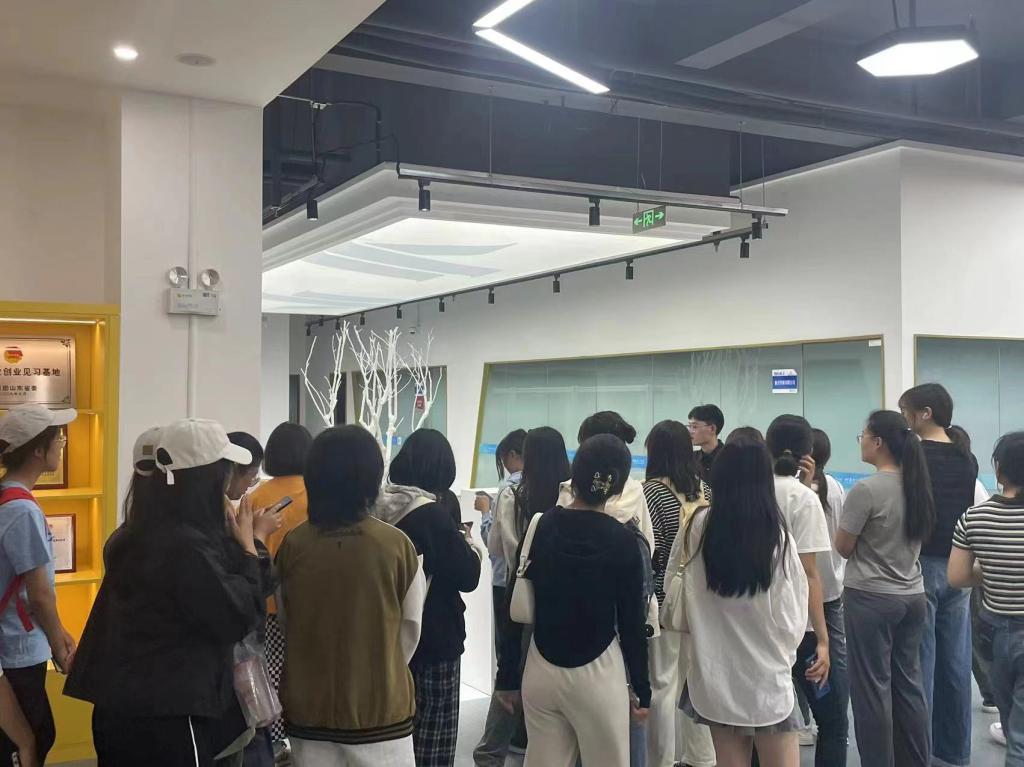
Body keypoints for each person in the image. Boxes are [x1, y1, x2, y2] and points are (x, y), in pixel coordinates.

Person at [64, 418, 265, 765]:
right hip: (169, 713)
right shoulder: (186, 548)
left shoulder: (133, 536)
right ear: (208, 479)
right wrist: (250, 548)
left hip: (120, 706)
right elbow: (236, 616)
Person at [494, 435, 651, 767]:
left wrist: (506, 677)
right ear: (618, 486)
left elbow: (512, 608)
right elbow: (632, 623)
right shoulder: (623, 541)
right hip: (599, 672)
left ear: (574, 476)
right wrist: (642, 687)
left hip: (540, 668)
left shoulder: (540, 526)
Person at [277, 425, 427, 766]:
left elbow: (288, 622)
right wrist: (381, 666)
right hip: (381, 713)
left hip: (309, 710)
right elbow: (411, 628)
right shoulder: (396, 545)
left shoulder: (294, 545)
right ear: (371, 479)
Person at [677, 440, 808, 767]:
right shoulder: (777, 538)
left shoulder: (697, 527)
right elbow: (792, 619)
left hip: (714, 675)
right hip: (767, 677)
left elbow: (681, 591)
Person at [373, 429, 482, 767]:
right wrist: (471, 545)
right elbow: (467, 576)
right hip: (434, 638)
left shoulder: (378, 508)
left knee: (393, 736)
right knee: (433, 739)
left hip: (386, 637)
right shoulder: (432, 515)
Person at [834, 410, 934, 767]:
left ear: (878, 442)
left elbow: (843, 547)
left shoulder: (866, 489)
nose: (860, 441)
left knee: (871, 692)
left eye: (862, 435)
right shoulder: (917, 485)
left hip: (871, 599)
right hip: (913, 595)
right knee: (908, 686)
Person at [475, 427, 570, 767]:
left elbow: (499, 546)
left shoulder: (513, 494)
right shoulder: (570, 494)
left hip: (520, 591)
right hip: (563, 596)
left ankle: (491, 753)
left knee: (511, 668)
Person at [899, 384, 976, 767]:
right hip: (960, 565)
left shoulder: (914, 455)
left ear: (924, 413)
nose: (904, 420)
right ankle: (956, 751)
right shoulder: (966, 456)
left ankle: (920, 751)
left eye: (906, 412)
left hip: (923, 563)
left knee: (921, 663)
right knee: (957, 662)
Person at [0, 404, 79, 765]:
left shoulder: (8, 499)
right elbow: (39, 594)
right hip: (17, 650)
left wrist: (59, 633)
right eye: (57, 438)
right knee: (33, 739)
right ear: (36, 449)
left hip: (14, 644)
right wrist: (59, 648)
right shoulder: (22, 510)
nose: (62, 444)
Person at [764, 416, 843, 766]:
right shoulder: (804, 498)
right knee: (833, 719)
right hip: (806, 628)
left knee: (765, 720)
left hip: (767, 622)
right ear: (808, 451)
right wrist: (824, 640)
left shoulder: (756, 491)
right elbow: (811, 574)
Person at [641, 420, 714, 767]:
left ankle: (661, 760)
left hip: (666, 601)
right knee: (696, 682)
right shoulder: (705, 490)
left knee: (662, 685)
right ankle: (701, 757)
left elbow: (650, 550)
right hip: (703, 601)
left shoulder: (651, 493)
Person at [949, 431, 1024, 764]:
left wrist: (992, 569)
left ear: (999, 469)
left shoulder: (974, 518)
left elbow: (957, 576)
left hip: (995, 633)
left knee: (1012, 725)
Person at [248, 422, 313, 749]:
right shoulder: (315, 494)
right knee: (306, 668)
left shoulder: (255, 496)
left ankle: (273, 738)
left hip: (265, 601)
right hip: (305, 602)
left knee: (270, 670)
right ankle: (301, 732)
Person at [948, 424, 997, 713]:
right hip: (968, 569)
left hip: (970, 571)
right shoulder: (970, 483)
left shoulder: (971, 484)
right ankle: (991, 693)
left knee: (975, 635)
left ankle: (991, 693)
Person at [477, 429, 527, 659]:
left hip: (504, 577)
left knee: (506, 647)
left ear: (513, 455)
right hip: (530, 574)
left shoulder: (507, 489)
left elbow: (493, 541)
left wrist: (485, 512)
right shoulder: (540, 485)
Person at [687, 405, 725, 484]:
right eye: (689, 426)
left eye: (694, 426)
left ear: (712, 428)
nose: (690, 431)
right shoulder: (690, 459)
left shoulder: (730, 457)